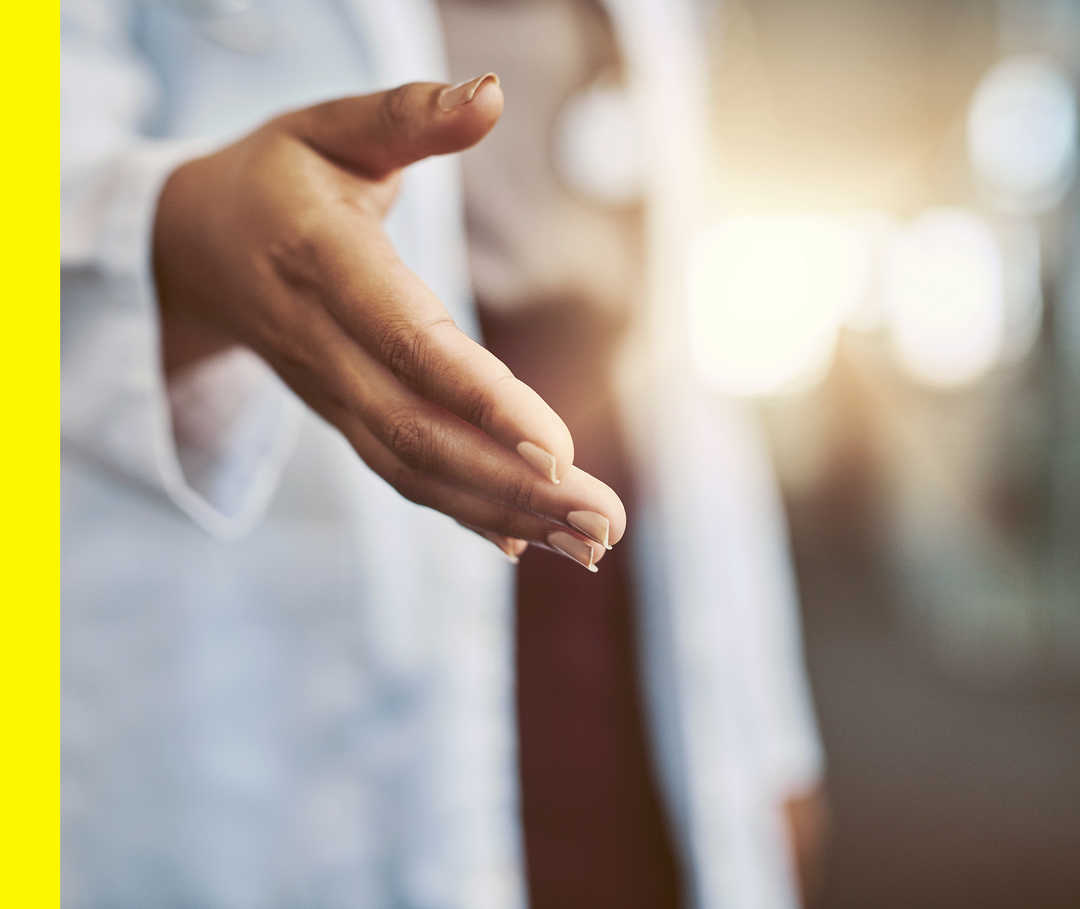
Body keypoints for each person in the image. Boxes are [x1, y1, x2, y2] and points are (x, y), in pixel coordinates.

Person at [61, 1, 824, 906]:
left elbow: (689, 389)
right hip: (256, 723)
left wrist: (768, 731)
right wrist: (172, 233)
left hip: (630, 692)